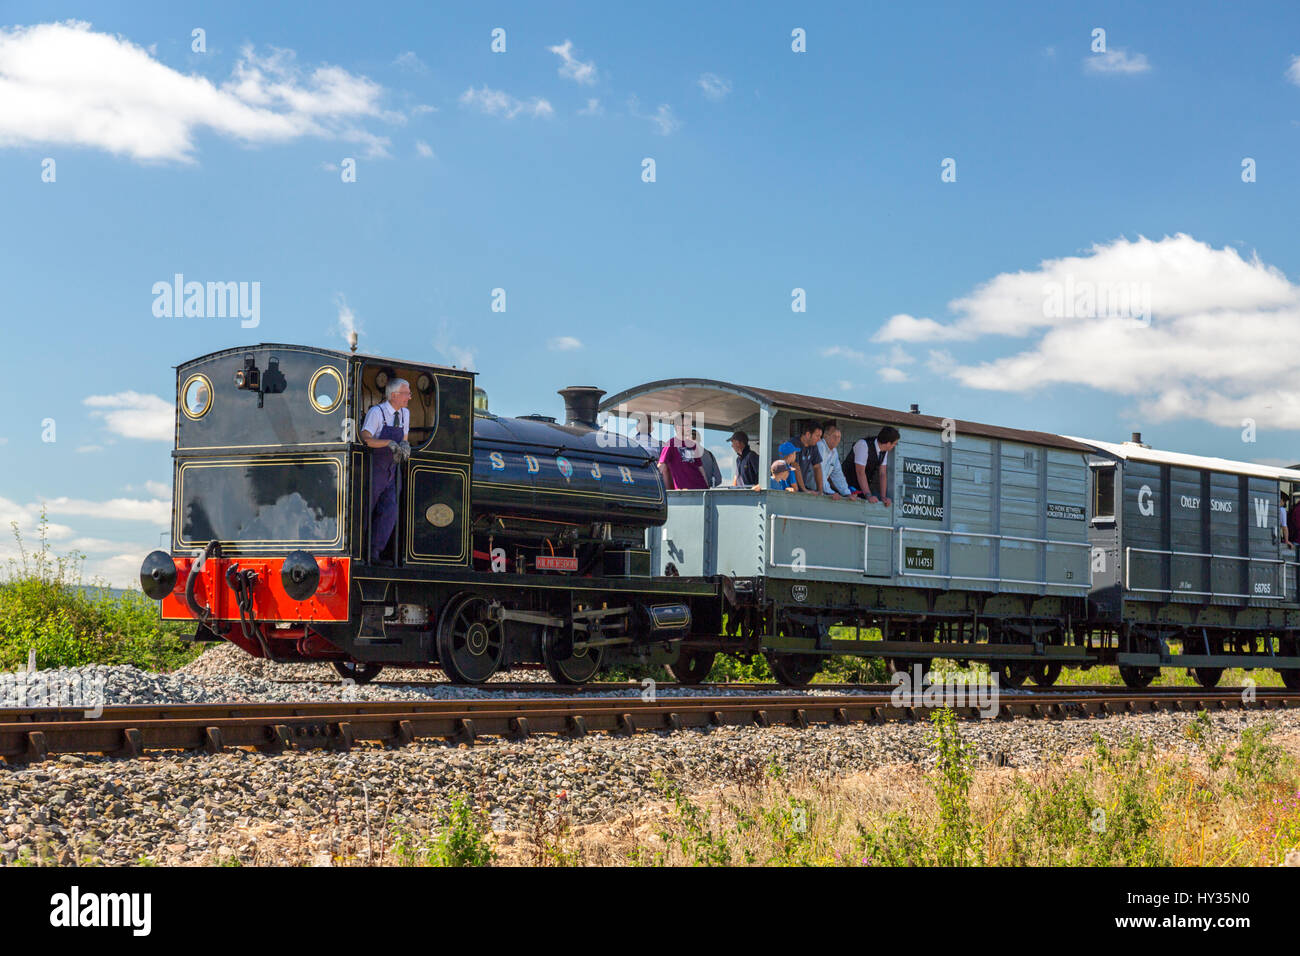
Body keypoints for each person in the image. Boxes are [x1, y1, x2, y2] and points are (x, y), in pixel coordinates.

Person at [361, 378, 412, 564]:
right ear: (394, 395)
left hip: (393, 468)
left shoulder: (405, 413)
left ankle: (375, 552)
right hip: (377, 467)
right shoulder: (377, 412)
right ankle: (360, 551)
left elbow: (404, 437)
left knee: (390, 511)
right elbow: (365, 437)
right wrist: (388, 443)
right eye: (407, 393)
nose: (409, 397)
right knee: (367, 508)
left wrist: (405, 445)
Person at [851, 425, 900, 506]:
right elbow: (860, 473)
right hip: (848, 487)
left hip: (861, 490)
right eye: (894, 444)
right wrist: (868, 495)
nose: (894, 446)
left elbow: (882, 474)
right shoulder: (863, 445)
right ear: (888, 443)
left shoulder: (884, 451)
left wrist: (883, 497)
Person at [658, 416, 709, 490]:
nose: (689, 428)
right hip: (684, 493)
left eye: (690, 425)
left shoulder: (693, 445)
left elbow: (700, 468)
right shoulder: (671, 443)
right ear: (677, 427)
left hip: (700, 489)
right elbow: (661, 466)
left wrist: (707, 488)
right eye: (686, 425)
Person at [817, 422, 854, 499]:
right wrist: (829, 492)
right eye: (834, 436)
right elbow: (820, 471)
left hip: (820, 491)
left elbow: (838, 474)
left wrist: (847, 493)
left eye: (839, 437)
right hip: (811, 490)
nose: (837, 439)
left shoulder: (834, 451)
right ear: (825, 436)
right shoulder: (820, 446)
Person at [792, 421, 824, 494]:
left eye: (820, 436)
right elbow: (795, 467)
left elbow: (817, 467)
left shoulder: (813, 446)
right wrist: (804, 490)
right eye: (817, 436)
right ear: (808, 434)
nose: (819, 439)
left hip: (801, 489)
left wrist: (820, 491)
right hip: (789, 489)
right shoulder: (794, 444)